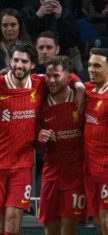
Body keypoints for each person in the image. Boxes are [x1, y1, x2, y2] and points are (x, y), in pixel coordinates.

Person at [0, 42, 84, 235]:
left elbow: (65, 74)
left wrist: (80, 85)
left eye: (24, 61)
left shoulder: (40, 83)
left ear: (33, 64)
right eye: (15, 60)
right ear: (10, 60)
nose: (19, 65)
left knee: (14, 219)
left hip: (22, 164)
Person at [37, 56, 86, 235]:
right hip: (51, 172)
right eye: (48, 76)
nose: (51, 81)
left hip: (76, 173)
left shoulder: (82, 99)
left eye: (56, 76)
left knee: (69, 227)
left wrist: (80, 86)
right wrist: (39, 137)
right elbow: (35, 143)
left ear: (68, 77)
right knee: (50, 228)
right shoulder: (41, 104)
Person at [84, 47, 108, 234]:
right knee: (98, 222)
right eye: (90, 65)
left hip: (106, 168)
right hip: (90, 168)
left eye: (97, 66)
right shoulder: (89, 89)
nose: (91, 69)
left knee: (106, 219)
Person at [0, 8, 31, 75]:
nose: (9, 29)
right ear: (0, 27)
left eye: (13, 25)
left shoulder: (29, 47)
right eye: (5, 25)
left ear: (19, 26)